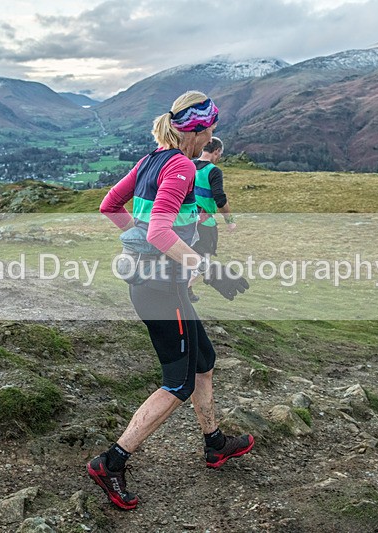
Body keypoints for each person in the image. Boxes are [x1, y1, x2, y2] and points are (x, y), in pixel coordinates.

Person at [89, 91, 252, 510]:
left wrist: (139, 243)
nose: (212, 136)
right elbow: (161, 231)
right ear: (198, 130)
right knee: (178, 382)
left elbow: (110, 205)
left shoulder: (149, 161)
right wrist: (209, 269)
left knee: (204, 361)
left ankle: (214, 443)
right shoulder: (180, 165)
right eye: (211, 129)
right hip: (163, 288)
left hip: (156, 284)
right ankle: (111, 462)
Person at [188, 136, 237, 302]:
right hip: (205, 224)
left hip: (185, 221)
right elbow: (220, 199)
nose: (219, 158)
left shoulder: (190, 165)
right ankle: (182, 289)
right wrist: (230, 221)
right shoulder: (213, 171)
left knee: (187, 257)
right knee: (203, 260)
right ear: (216, 151)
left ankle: (187, 292)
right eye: (219, 154)